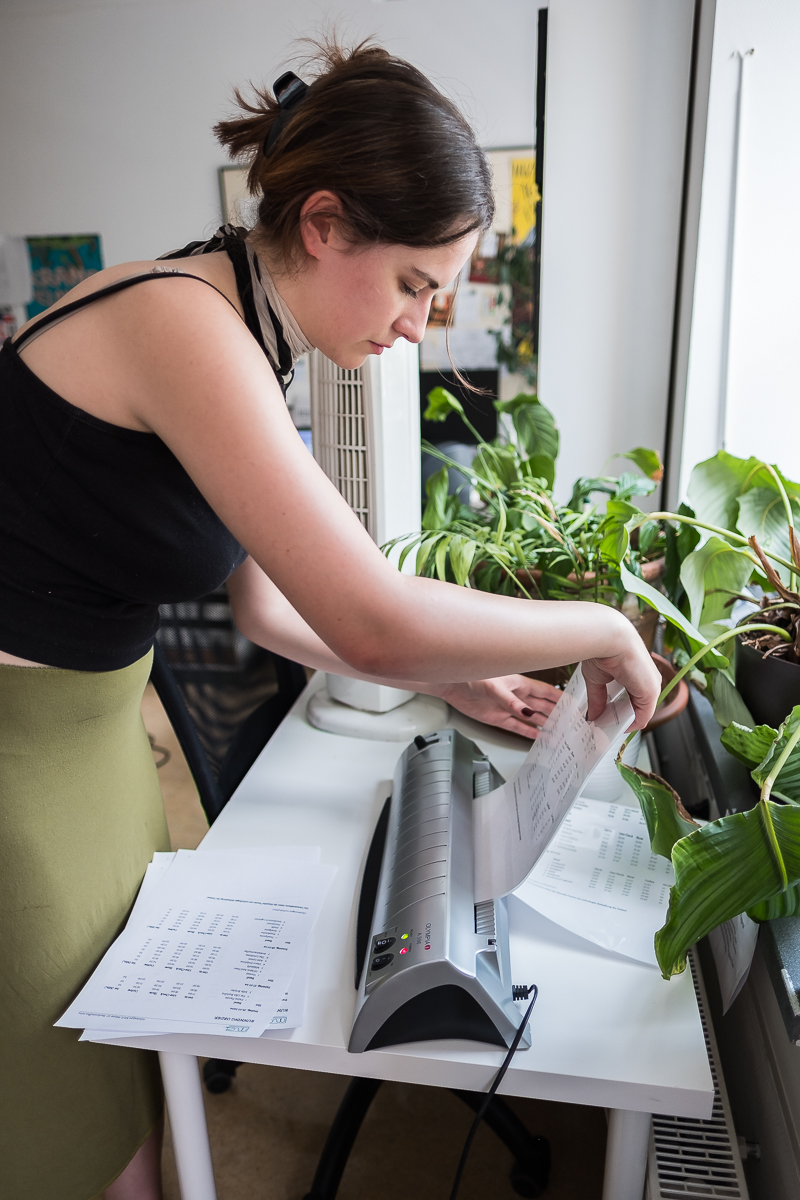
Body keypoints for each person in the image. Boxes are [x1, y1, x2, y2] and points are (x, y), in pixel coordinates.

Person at [0, 37, 660, 1200]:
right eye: (413, 283)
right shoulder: (184, 324)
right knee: (64, 1109)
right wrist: (603, 627)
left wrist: (447, 682)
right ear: (320, 226)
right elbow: (364, 616)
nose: (419, 326)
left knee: (123, 1064)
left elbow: (261, 600)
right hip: (17, 744)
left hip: (96, 733)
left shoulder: (248, 332)